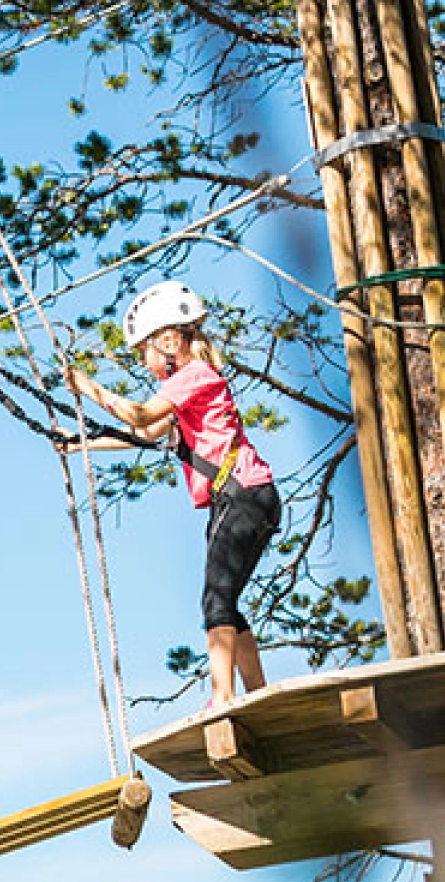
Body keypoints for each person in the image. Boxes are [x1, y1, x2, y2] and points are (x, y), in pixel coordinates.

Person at [63, 280, 282, 710]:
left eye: (144, 351)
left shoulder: (193, 377)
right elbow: (144, 431)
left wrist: (89, 389)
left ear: (169, 340)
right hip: (248, 498)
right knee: (226, 600)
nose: (144, 363)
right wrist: (78, 443)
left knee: (215, 598)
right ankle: (258, 694)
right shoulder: (193, 390)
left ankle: (222, 696)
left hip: (241, 496)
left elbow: (142, 412)